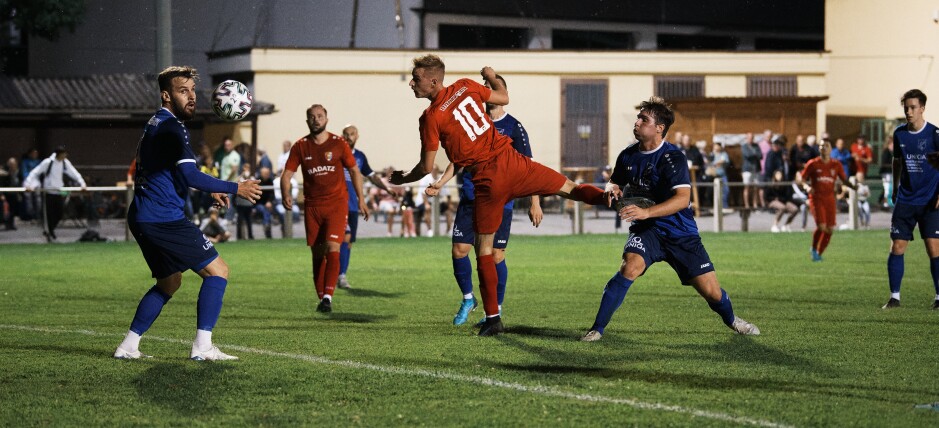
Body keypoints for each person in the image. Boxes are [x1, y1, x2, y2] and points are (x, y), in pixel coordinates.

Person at [390, 54, 605, 336]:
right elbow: (503, 97)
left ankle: (493, 319)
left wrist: (404, 178)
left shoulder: (431, 116)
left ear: (433, 80)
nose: (412, 84)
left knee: (485, 251)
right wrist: (491, 75)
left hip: (488, 180)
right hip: (513, 163)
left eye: (416, 79)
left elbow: (426, 166)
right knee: (569, 188)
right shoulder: (466, 86)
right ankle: (609, 197)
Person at [113, 66, 262, 361]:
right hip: (162, 218)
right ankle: (203, 347)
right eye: (184, 91)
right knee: (218, 271)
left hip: (143, 215)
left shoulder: (156, 123)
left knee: (170, 282)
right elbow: (190, 174)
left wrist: (212, 189)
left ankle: (128, 346)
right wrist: (235, 187)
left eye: (193, 90)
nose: (192, 97)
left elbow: (174, 172)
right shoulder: (172, 127)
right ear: (166, 95)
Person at [581, 96, 759, 342]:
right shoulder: (627, 156)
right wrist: (612, 189)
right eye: (638, 117)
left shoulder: (672, 157)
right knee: (629, 267)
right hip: (647, 231)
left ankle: (732, 320)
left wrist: (645, 212)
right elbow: (615, 181)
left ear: (659, 127)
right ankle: (597, 329)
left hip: (680, 232)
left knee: (712, 293)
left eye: (644, 119)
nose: (637, 122)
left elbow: (683, 199)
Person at [424, 73, 543, 326]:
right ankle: (468, 298)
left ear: (500, 91)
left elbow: (528, 165)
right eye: (483, 87)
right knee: (459, 249)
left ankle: (495, 309)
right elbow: (457, 160)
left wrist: (535, 202)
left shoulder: (514, 126)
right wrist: (441, 183)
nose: (484, 90)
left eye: (488, 87)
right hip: (471, 197)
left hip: (500, 200)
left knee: (496, 255)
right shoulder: (471, 120)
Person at [281, 104, 369, 314]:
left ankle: (328, 295)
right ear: (307, 121)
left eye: (320, 116)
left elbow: (355, 171)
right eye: (312, 117)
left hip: (337, 205)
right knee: (317, 254)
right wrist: (286, 193)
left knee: (333, 247)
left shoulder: (338, 143)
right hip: (312, 207)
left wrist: (361, 199)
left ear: (327, 119)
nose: (316, 120)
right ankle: (323, 298)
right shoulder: (300, 146)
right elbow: (287, 174)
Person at [886, 89, 939, 309]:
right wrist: (895, 187)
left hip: (930, 201)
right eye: (906, 108)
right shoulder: (900, 134)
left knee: (934, 249)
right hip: (906, 201)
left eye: (913, 107)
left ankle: (938, 298)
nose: (908, 111)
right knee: (897, 246)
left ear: (922, 108)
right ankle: (894, 297)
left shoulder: (935, 135)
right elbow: (897, 162)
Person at [337, 124, 397, 289]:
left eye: (352, 134)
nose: (348, 137)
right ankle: (340, 275)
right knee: (345, 236)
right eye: (346, 134)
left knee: (348, 242)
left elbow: (372, 177)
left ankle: (340, 273)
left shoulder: (360, 157)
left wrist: (387, 189)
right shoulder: (336, 153)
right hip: (338, 203)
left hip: (353, 204)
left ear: (357, 136)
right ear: (341, 136)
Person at [796, 139, 856, 262]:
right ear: (819, 148)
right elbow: (801, 179)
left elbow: (843, 180)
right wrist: (807, 187)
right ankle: (813, 249)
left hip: (830, 199)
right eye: (822, 146)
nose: (824, 148)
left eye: (826, 146)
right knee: (822, 226)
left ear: (830, 149)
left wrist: (854, 186)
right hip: (816, 198)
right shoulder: (813, 163)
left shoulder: (836, 164)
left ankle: (818, 253)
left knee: (829, 229)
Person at [23, 146, 87, 242]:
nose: (65, 156)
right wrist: (27, 184)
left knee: (59, 214)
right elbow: (35, 172)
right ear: (59, 154)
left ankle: (50, 231)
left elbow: (74, 173)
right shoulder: (48, 162)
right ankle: (49, 232)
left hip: (59, 192)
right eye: (64, 154)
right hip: (48, 192)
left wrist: (82, 183)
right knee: (49, 215)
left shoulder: (65, 162)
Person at [219, 137, 240, 221]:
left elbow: (234, 169)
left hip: (230, 182)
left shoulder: (234, 155)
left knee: (229, 201)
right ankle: (227, 217)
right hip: (224, 183)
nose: (226, 146)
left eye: (228, 145)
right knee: (226, 201)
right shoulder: (226, 155)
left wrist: (227, 179)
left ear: (232, 145)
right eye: (225, 145)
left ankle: (229, 219)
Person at [740, 132, 763, 210]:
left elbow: (760, 156)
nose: (750, 139)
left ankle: (755, 204)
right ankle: (747, 205)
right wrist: (755, 154)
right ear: (746, 138)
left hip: (756, 169)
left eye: (752, 138)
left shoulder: (756, 146)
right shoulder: (744, 146)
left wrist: (754, 154)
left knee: (755, 188)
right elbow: (747, 155)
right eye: (749, 138)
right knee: (747, 187)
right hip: (747, 169)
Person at [0, 157, 21, 230]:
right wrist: (1, 194)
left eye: (13, 164)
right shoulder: (5, 173)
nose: (12, 165)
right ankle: (7, 224)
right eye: (10, 164)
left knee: (13, 210)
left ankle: (11, 224)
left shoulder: (18, 172)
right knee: (7, 210)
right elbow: (1, 184)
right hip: (7, 193)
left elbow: (20, 182)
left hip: (15, 193)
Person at [879, 136, 894, 209]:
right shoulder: (886, 152)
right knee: (887, 188)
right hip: (886, 173)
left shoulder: (895, 152)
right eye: (892, 144)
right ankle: (885, 203)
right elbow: (884, 163)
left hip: (893, 173)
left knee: (893, 188)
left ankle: (890, 202)